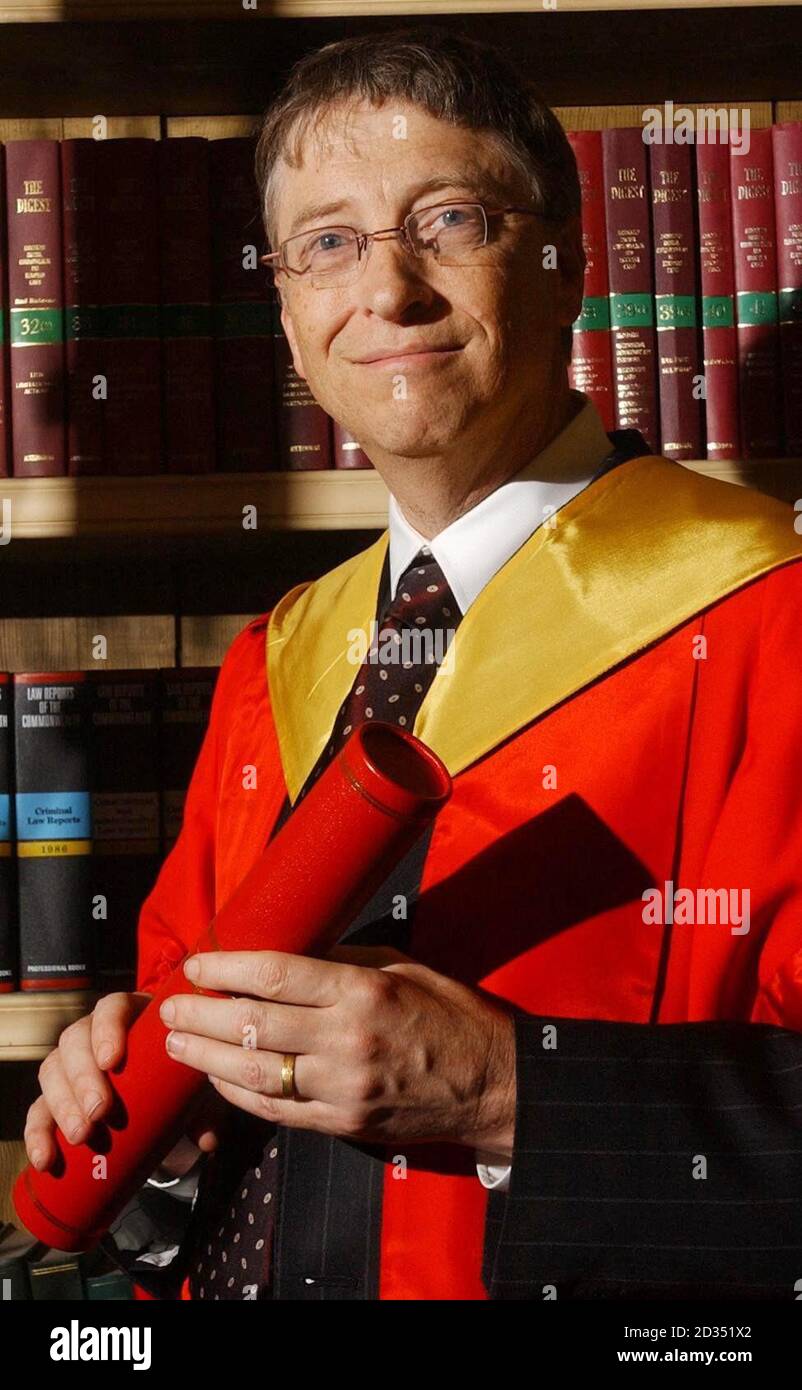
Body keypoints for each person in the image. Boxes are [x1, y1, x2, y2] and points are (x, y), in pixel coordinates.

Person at [23, 29, 802, 1301]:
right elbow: (204, 1082)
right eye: (325, 243)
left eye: (449, 221)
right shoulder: (280, 660)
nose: (385, 293)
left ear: (568, 268)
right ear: (287, 312)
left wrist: (510, 1091)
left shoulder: (770, 620)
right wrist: (154, 1144)